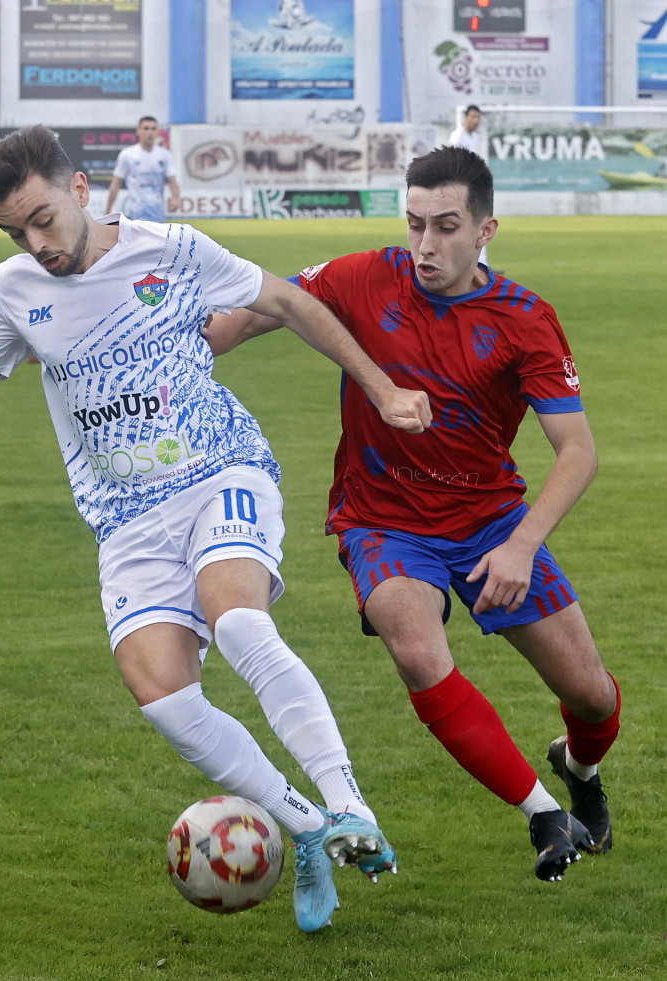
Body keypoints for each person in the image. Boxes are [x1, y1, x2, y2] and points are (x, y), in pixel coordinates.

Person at [0, 125, 432, 932]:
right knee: (161, 694)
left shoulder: (174, 250)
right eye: (14, 231)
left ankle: (347, 800)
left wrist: (379, 390)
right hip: (125, 517)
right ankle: (304, 825)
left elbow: (290, 301)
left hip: (218, 470)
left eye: (42, 217)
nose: (35, 242)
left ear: (82, 188)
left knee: (236, 616)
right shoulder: (15, 287)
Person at [204, 144, 620, 884]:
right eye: (414, 223)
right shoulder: (364, 276)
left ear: (486, 228)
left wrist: (521, 546)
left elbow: (576, 451)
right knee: (415, 647)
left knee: (590, 694)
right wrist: (170, 347)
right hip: (382, 520)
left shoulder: (525, 320)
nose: (425, 245)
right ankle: (540, 812)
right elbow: (257, 310)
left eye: (446, 226)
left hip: (491, 522)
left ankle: (577, 769)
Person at [105, 116, 180, 222]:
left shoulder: (165, 155)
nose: (150, 132)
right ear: (138, 131)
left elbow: (172, 180)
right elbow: (116, 183)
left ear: (158, 131)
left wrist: (175, 198)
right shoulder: (127, 155)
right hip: (136, 214)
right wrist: (108, 211)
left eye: (153, 129)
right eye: (146, 128)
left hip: (159, 215)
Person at [448, 106, 491, 268]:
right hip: (461, 188)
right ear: (466, 117)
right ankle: (460, 261)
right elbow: (453, 162)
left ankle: (481, 262)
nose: (475, 120)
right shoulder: (458, 136)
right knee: (466, 222)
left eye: (478, 117)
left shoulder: (474, 137)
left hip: (472, 186)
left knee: (480, 221)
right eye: (473, 116)